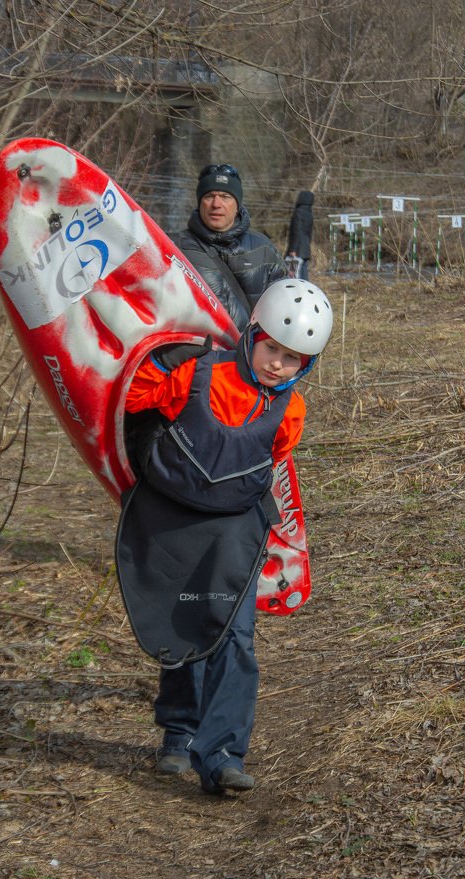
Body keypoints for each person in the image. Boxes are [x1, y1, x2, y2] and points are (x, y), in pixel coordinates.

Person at [117, 280, 333, 795]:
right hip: (172, 519)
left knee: (233, 634)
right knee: (184, 621)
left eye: (293, 359)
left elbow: (275, 457)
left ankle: (223, 756)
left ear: (306, 366)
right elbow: (134, 399)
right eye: (272, 348)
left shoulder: (291, 411)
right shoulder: (198, 372)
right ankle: (179, 733)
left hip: (234, 528)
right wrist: (163, 360)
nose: (277, 364)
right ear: (252, 335)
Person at [175, 163, 287, 333]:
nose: (216, 204)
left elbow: (284, 307)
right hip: (199, 347)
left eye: (225, 196)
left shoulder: (263, 248)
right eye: (209, 196)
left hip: (251, 347)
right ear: (199, 203)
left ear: (237, 205)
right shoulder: (177, 247)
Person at [285, 190, 314, 281]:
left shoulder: (298, 213)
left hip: (297, 249)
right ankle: (306, 289)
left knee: (294, 276)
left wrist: (293, 249)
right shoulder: (310, 214)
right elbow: (309, 233)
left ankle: (296, 290)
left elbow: (296, 231)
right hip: (305, 249)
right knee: (304, 276)